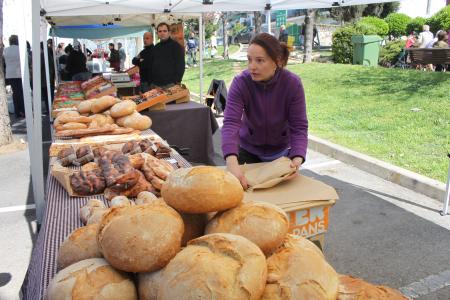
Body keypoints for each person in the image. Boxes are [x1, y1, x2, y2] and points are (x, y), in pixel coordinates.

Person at [221, 33, 308, 189]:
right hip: (248, 151)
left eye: (259, 60)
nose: (252, 66)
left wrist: (297, 158)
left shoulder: (292, 84)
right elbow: (230, 123)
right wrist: (231, 162)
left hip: (280, 155)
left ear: (277, 62)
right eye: (249, 60)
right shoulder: (240, 83)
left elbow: (299, 126)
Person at [151, 22, 185, 88]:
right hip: (157, 85)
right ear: (157, 33)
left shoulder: (176, 46)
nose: (162, 33)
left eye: (164, 31)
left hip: (171, 84)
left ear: (169, 32)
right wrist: (152, 82)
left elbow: (181, 66)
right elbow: (153, 65)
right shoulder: (156, 47)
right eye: (160, 31)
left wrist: (177, 81)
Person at [3, 35, 25, 118]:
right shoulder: (20, 49)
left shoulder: (6, 50)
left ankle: (17, 111)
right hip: (19, 73)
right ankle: (22, 110)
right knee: (21, 92)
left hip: (10, 74)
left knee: (15, 93)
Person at [41, 39, 56, 115]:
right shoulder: (49, 53)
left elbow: (39, 67)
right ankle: (50, 108)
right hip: (50, 76)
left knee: (47, 95)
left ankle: (49, 109)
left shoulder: (43, 55)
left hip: (45, 78)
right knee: (50, 94)